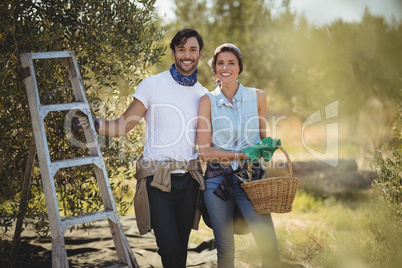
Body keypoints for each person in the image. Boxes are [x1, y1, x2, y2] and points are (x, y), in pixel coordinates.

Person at [75, 29, 208, 268]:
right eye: (181, 49)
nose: (187, 55)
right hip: (156, 180)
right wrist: (95, 124)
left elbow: (209, 141)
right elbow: (122, 126)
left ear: (199, 54)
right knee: (169, 250)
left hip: (189, 181)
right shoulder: (153, 85)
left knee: (180, 249)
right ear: (173, 52)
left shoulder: (204, 95)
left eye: (192, 50)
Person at [197, 43, 281, 267]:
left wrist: (268, 146)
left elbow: (263, 141)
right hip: (217, 181)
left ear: (239, 67)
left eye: (231, 63)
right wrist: (242, 155)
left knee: (269, 247)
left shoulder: (258, 97)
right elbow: (204, 151)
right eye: (220, 63)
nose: (225, 67)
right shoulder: (207, 101)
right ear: (214, 69)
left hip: (251, 181)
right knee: (225, 249)